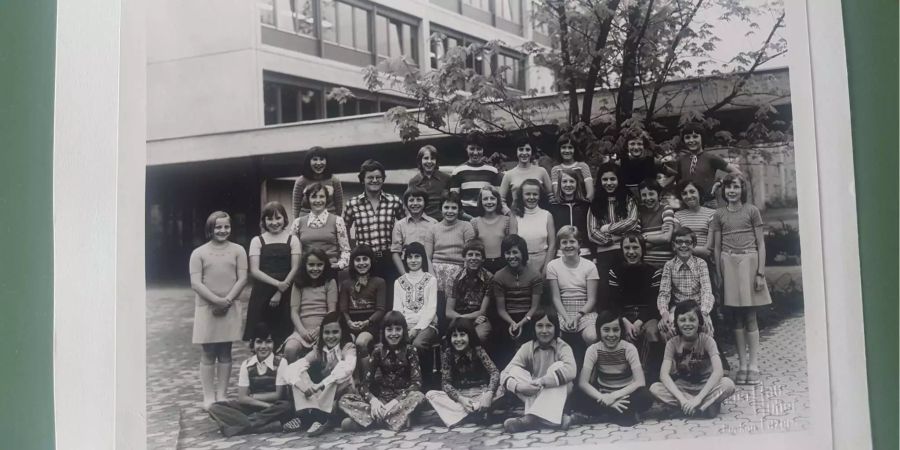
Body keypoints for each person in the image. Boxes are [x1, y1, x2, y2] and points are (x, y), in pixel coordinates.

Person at [712, 174, 772, 385]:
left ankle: (754, 364)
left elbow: (761, 244)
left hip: (750, 261)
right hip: (728, 262)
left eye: (735, 187)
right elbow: (717, 247)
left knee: (750, 315)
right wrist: (719, 274)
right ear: (724, 190)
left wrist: (760, 273)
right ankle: (743, 364)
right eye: (728, 187)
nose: (732, 191)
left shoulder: (752, 211)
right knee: (735, 317)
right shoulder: (719, 214)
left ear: (741, 189)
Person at [189, 211, 248, 409]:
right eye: (218, 227)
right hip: (207, 307)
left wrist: (227, 300)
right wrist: (216, 301)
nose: (223, 230)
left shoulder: (238, 250)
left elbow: (243, 278)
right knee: (208, 351)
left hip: (230, 306)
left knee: (225, 350)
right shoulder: (199, 253)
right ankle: (208, 397)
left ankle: (221, 394)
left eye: (226, 227)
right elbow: (196, 283)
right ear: (210, 229)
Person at [338, 311, 425, 432]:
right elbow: (364, 385)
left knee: (419, 396)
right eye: (389, 330)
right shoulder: (378, 352)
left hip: (402, 401)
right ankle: (394, 420)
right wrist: (374, 401)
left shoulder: (410, 350)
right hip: (382, 400)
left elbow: (417, 384)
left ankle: (372, 421)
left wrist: (395, 402)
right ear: (383, 332)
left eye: (398, 329)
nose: (393, 334)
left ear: (403, 330)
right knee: (344, 399)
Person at [649, 301, 734, 418]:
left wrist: (698, 398)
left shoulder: (707, 340)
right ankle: (702, 407)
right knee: (655, 388)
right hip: (683, 388)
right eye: (682, 320)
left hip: (705, 386)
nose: (687, 324)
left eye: (692, 320)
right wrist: (682, 399)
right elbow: (664, 375)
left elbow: (718, 371)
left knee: (728, 384)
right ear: (676, 323)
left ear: (699, 321)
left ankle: (688, 408)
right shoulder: (672, 343)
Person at [207, 322, 294, 437]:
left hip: (274, 409)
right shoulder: (247, 364)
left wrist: (252, 397)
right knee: (214, 407)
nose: (263, 346)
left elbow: (278, 395)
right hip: (257, 408)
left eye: (268, 341)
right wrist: (264, 405)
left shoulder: (281, 363)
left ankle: (243, 425)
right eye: (259, 342)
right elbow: (242, 398)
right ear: (253, 344)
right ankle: (264, 427)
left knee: (288, 406)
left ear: (274, 343)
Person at [282, 311, 358, 436]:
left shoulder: (348, 347)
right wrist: (301, 385)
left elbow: (347, 368)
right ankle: (311, 418)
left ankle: (316, 419)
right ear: (322, 333)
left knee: (338, 374)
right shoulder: (319, 350)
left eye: (335, 332)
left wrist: (321, 384)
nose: (330, 336)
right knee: (299, 373)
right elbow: (291, 368)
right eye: (327, 332)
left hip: (343, 394)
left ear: (342, 332)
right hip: (324, 397)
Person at [500, 313, 576, 433]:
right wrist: (520, 387)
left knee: (559, 366)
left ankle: (530, 419)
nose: (544, 330)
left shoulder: (562, 346)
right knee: (514, 370)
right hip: (534, 391)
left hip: (557, 392)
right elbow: (504, 373)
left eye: (549, 326)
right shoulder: (527, 347)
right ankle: (554, 419)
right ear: (533, 328)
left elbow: (571, 370)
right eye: (539, 326)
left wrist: (542, 381)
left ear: (555, 327)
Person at [576, 310, 653, 426]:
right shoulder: (593, 350)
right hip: (603, 394)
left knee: (645, 396)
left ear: (621, 330)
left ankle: (610, 412)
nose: (611, 335)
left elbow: (640, 381)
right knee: (577, 395)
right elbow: (583, 382)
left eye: (615, 330)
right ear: (599, 331)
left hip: (626, 394)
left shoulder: (629, 348)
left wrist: (614, 396)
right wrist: (604, 398)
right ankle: (616, 411)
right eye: (606, 330)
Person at [344, 159, 406, 296]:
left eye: (378, 177)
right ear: (363, 180)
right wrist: (350, 251)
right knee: (367, 297)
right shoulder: (353, 204)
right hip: (364, 261)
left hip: (389, 259)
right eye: (370, 177)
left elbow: (405, 226)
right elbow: (343, 229)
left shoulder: (394, 201)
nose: (375, 180)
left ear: (383, 179)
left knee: (390, 297)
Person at [607, 233, 664, 382]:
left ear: (642, 249)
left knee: (652, 332)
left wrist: (639, 321)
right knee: (623, 334)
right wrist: (625, 322)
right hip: (624, 314)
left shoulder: (654, 271)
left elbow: (654, 302)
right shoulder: (615, 271)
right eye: (627, 247)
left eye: (635, 247)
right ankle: (626, 376)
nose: (631, 252)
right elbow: (613, 302)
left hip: (648, 314)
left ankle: (651, 376)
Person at [425, 318, 501, 427]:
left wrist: (489, 394)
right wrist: (461, 399)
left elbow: (494, 372)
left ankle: (465, 413)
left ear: (470, 335)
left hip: (481, 393)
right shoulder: (448, 353)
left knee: (501, 390)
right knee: (430, 395)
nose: (458, 339)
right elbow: (445, 383)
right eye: (454, 335)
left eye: (462, 335)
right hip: (460, 396)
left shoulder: (478, 350)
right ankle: (475, 413)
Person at [245, 201, 302, 349]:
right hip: (263, 293)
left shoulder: (293, 239)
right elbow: (254, 270)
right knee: (262, 335)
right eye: (269, 219)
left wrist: (281, 290)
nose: (274, 222)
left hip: (287, 292)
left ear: (284, 219)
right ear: (264, 221)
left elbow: (295, 267)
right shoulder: (257, 241)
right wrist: (277, 284)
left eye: (278, 218)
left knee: (283, 333)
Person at [588, 163, 640, 298]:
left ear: (619, 180)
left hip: (626, 251)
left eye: (613, 179)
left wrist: (607, 228)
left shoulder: (628, 199)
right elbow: (592, 232)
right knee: (606, 289)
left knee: (626, 287)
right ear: (600, 181)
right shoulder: (596, 203)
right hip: (604, 254)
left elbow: (633, 222)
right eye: (605, 179)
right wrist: (615, 238)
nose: (609, 183)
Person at [492, 235, 543, 367]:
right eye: (508, 253)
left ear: (523, 253)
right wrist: (513, 323)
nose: (511, 256)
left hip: (528, 316)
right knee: (500, 337)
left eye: (515, 252)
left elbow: (534, 307)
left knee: (534, 335)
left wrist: (521, 323)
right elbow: (501, 309)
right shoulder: (499, 276)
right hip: (508, 317)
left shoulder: (535, 275)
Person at [657, 227, 715, 340]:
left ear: (693, 245)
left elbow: (707, 291)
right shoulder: (669, 265)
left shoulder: (701, 264)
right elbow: (664, 293)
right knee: (665, 329)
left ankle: (700, 355)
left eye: (687, 242)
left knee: (706, 328)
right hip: (677, 309)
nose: (683, 246)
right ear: (674, 246)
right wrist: (664, 313)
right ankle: (676, 356)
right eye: (679, 242)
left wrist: (704, 313)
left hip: (698, 307)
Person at [546, 226, 600, 348]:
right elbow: (556, 298)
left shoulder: (590, 266)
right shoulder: (552, 266)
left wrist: (577, 317)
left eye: (572, 241)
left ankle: (591, 366)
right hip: (562, 311)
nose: (568, 245)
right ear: (559, 245)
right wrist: (566, 318)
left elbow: (592, 299)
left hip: (585, 312)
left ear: (579, 244)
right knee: (553, 335)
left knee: (592, 336)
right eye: (564, 242)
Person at [284, 248, 338, 362]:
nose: (315, 269)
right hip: (301, 330)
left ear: (325, 266)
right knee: (290, 349)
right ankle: (291, 378)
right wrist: (302, 331)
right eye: (311, 265)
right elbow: (294, 311)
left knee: (317, 354)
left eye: (319, 265)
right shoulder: (298, 284)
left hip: (323, 330)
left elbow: (332, 311)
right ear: (305, 266)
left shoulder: (330, 282)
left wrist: (320, 329)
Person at [674, 122, 741, 207]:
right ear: (683, 140)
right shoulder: (681, 160)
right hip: (688, 204)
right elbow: (678, 182)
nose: (691, 140)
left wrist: (720, 182)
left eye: (695, 136)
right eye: (687, 137)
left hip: (708, 203)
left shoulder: (711, 158)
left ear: (702, 138)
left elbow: (737, 173)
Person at [338, 244, 386, 363]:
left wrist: (367, 322)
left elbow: (381, 309)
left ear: (371, 261)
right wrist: (349, 322)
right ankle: (353, 378)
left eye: (365, 259)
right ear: (352, 262)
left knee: (361, 342)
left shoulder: (379, 282)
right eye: (357, 260)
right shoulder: (346, 283)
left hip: (371, 324)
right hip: (350, 324)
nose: (361, 263)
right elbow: (343, 309)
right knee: (348, 346)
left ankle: (366, 379)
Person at [427, 192, 475, 302]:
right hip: (436, 271)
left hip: (459, 270)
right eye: (446, 207)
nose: (450, 211)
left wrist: (463, 276)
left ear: (459, 210)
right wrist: (432, 277)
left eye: (454, 208)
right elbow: (427, 257)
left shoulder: (466, 226)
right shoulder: (433, 229)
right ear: (441, 209)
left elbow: (469, 253)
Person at [292, 183, 351, 272]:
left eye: (322, 196)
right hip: (307, 271)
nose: (318, 200)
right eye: (314, 197)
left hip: (330, 270)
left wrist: (340, 265)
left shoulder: (338, 221)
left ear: (327, 199)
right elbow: (292, 251)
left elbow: (346, 250)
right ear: (308, 199)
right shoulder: (298, 223)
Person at [393, 242, 440, 352]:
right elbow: (397, 310)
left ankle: (425, 370)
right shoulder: (399, 282)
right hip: (405, 326)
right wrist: (404, 329)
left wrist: (417, 328)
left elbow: (431, 309)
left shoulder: (431, 280)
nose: (413, 260)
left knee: (417, 345)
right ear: (406, 259)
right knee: (396, 343)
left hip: (427, 325)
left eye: (417, 256)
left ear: (423, 258)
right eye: (410, 257)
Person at [445, 239, 493, 342]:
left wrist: (471, 320)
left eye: (477, 255)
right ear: (464, 257)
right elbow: (449, 312)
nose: (473, 258)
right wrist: (464, 320)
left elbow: (483, 311)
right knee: (450, 339)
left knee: (480, 336)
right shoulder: (454, 277)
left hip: (479, 320)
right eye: (470, 254)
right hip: (458, 319)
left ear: (483, 259)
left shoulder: (489, 278)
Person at [449, 131, 502, 218]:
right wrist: (466, 217)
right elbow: (454, 200)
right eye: (472, 148)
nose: (475, 152)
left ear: (483, 149)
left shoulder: (493, 171)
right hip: (465, 218)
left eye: (479, 148)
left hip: (487, 217)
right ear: (466, 148)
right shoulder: (458, 171)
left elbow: (498, 199)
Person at [513, 179, 556, 276]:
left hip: (543, 261)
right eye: (527, 194)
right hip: (522, 263)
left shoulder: (547, 215)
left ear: (540, 196)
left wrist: (546, 268)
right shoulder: (515, 216)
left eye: (535, 194)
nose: (531, 197)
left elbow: (552, 244)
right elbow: (513, 245)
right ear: (521, 195)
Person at [470, 186, 518, 273]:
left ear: (498, 201)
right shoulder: (475, 222)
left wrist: (510, 213)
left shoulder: (506, 220)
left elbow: (512, 241)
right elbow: (472, 246)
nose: (489, 202)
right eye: (485, 199)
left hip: (502, 264)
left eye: (492, 198)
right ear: (481, 201)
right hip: (483, 265)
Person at [391, 188, 437, 276]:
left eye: (419, 200)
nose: (415, 203)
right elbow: (395, 253)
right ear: (406, 203)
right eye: (411, 200)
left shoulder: (434, 223)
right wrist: (404, 275)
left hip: (429, 268)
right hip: (407, 267)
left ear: (425, 202)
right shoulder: (400, 225)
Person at [548, 168, 593, 259]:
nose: (568, 185)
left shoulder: (586, 205)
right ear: (560, 184)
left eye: (572, 181)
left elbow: (590, 230)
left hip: (584, 252)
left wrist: (594, 255)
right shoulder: (554, 206)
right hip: (561, 253)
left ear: (577, 184)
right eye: (564, 181)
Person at [499, 137, 555, 207]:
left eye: (528, 150)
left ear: (532, 152)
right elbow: (500, 200)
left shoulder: (542, 171)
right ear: (516, 151)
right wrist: (509, 213)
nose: (524, 153)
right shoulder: (509, 174)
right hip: (517, 215)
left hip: (538, 215)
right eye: (521, 149)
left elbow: (551, 196)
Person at [292, 146, 344, 218]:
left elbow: (339, 206)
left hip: (329, 220)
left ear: (326, 161)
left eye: (322, 159)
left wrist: (335, 222)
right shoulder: (301, 181)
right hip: (306, 221)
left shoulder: (334, 180)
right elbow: (296, 207)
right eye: (315, 159)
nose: (319, 163)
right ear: (309, 161)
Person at [638, 179, 677, 267]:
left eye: (651, 194)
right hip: (646, 266)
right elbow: (637, 244)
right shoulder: (639, 215)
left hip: (666, 265)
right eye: (644, 195)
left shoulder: (666, 209)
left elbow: (667, 238)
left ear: (658, 194)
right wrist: (660, 239)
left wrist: (644, 237)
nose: (648, 198)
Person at [407, 145, 451, 221]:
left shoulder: (446, 178)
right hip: (423, 221)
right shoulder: (414, 181)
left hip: (444, 220)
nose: (429, 161)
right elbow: (409, 204)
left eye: (433, 158)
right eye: (426, 158)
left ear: (437, 161)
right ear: (420, 160)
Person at [550, 134, 594, 201]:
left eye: (570, 147)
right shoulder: (555, 169)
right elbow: (557, 194)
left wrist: (585, 205)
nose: (567, 151)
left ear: (575, 149)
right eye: (564, 147)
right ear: (559, 149)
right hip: (563, 207)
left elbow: (590, 193)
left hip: (582, 205)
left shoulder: (583, 166)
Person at [618, 131, 661, 197]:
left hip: (649, 201)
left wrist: (660, 186)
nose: (636, 147)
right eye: (632, 144)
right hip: (628, 202)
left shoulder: (653, 161)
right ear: (627, 146)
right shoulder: (620, 163)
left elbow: (673, 174)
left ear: (644, 146)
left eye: (639, 144)